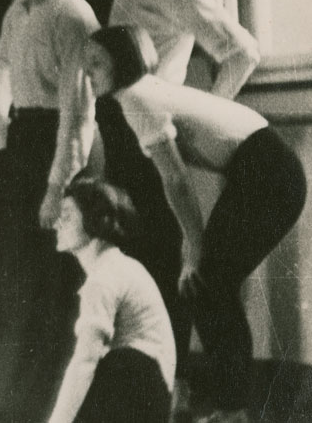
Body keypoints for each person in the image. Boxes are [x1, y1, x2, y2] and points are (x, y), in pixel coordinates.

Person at [83, 0, 261, 413]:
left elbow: (241, 50)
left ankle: (173, 391)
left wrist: (193, 117)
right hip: (131, 133)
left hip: (151, 136)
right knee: (143, 266)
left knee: (167, 269)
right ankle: (156, 392)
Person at [82, 25, 306, 423]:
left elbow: (178, 184)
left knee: (206, 284)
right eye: (85, 64)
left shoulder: (136, 98)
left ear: (123, 62)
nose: (88, 72)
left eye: (96, 63)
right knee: (209, 287)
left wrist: (194, 247)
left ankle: (233, 409)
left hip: (269, 171)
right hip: (265, 167)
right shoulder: (143, 92)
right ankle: (225, 404)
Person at [0, 0, 99, 420]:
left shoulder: (73, 16)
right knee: (26, 275)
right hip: (29, 138)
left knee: (58, 283)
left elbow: (78, 115)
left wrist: (57, 187)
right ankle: (18, 400)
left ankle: (53, 404)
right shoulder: (18, 9)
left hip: (63, 151)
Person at [47, 177, 176, 423]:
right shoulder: (118, 265)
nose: (56, 223)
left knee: (90, 367)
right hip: (152, 393)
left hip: (142, 387)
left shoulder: (104, 277)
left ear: (95, 219)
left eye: (67, 215)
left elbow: (86, 360)